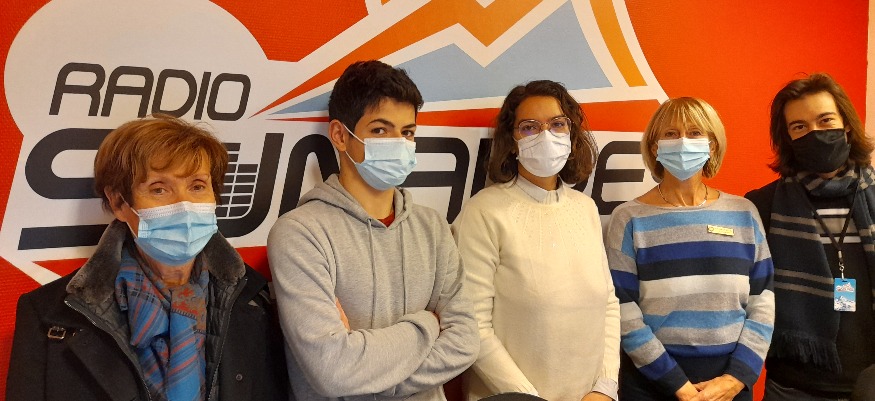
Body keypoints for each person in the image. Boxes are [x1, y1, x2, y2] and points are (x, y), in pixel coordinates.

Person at [6, 114, 288, 401]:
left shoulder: (253, 296)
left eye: (197, 186)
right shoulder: (50, 314)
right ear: (118, 202)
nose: (184, 205)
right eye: (159, 189)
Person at [267, 60, 479, 401]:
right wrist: (428, 324)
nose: (399, 143)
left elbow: (465, 341)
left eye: (407, 132)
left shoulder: (434, 228)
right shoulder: (299, 234)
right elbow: (333, 369)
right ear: (340, 135)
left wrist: (370, 379)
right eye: (380, 131)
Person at [451, 80, 620, 401]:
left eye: (557, 124)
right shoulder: (484, 212)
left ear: (571, 133)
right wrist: (527, 397)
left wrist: (605, 387)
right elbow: (473, 324)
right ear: (512, 141)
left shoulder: (585, 208)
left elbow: (608, 305)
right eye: (529, 127)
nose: (546, 135)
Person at [605, 97, 775, 401]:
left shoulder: (743, 212)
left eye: (695, 133)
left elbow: (763, 299)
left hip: (729, 386)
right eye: (671, 133)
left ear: (712, 144)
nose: (683, 141)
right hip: (651, 385)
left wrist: (736, 378)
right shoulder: (628, 218)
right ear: (654, 146)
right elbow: (622, 307)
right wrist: (676, 384)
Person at [745, 73, 875, 401]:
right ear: (788, 138)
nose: (815, 133)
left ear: (847, 125)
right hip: (793, 387)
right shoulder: (763, 205)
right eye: (799, 126)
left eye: (825, 120)